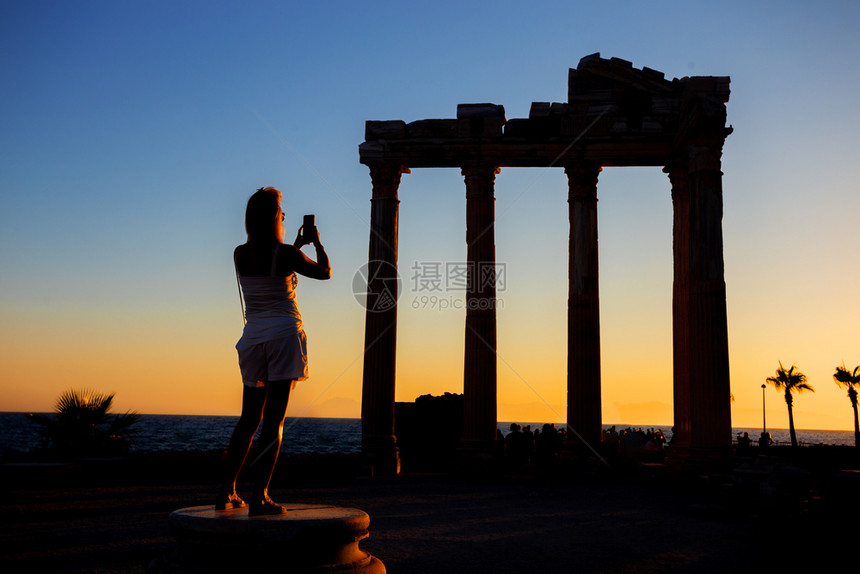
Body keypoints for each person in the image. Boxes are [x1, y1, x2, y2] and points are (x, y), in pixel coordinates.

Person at [216, 187, 330, 516]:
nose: (283, 215)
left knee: (248, 419)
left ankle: (227, 490)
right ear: (273, 217)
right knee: (273, 423)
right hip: (284, 337)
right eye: (280, 211)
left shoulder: (240, 253)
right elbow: (324, 272)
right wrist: (317, 243)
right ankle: (260, 496)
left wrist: (294, 246)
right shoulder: (286, 255)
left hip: (252, 340)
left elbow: (274, 268)